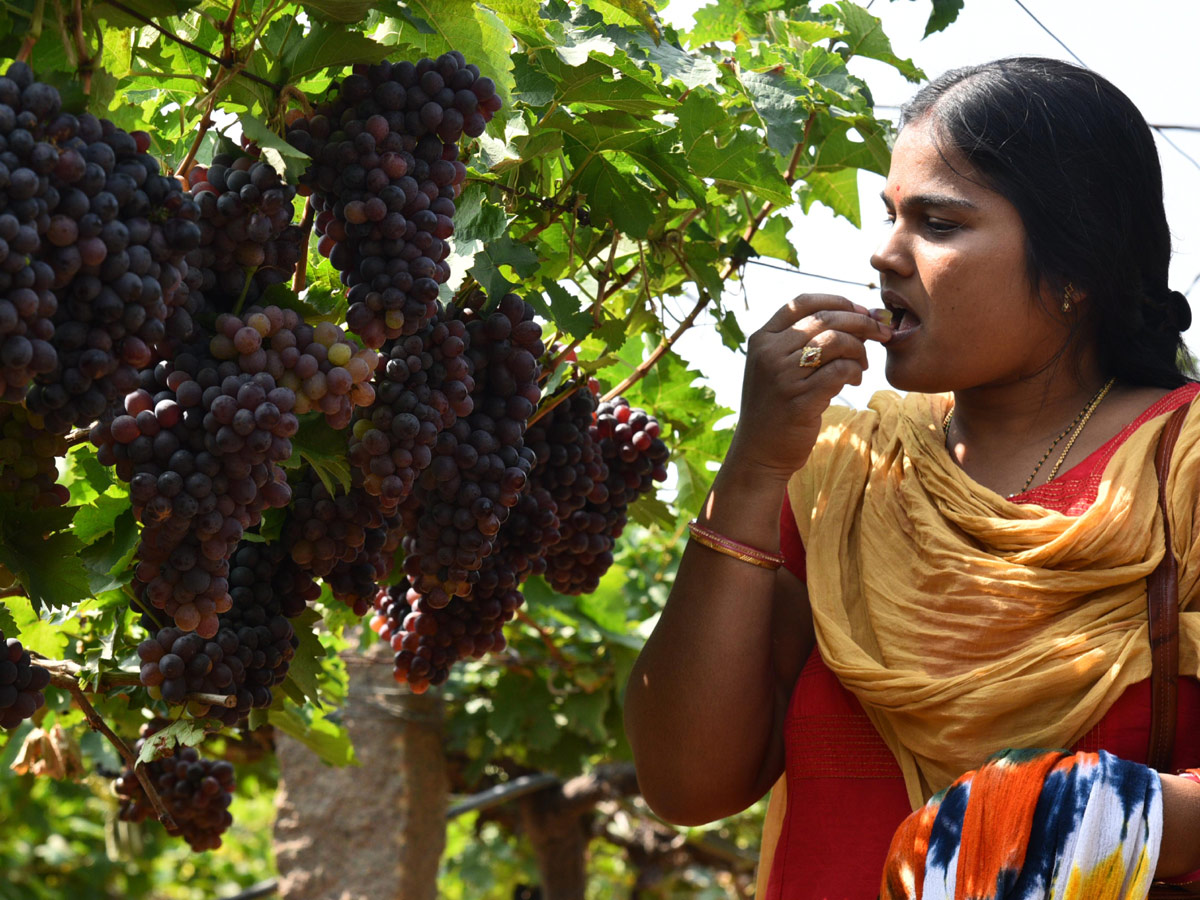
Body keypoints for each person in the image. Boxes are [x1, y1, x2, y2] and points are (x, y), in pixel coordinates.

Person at [623, 57, 1200, 897]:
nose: (884, 253)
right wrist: (751, 471)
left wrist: (1115, 818)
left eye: (937, 224)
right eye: (892, 215)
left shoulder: (1180, 464)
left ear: (1076, 271)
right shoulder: (833, 473)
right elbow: (687, 784)